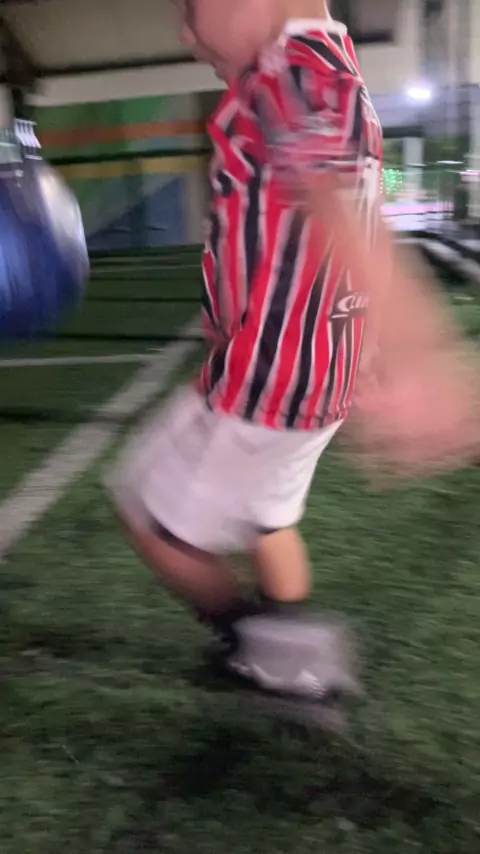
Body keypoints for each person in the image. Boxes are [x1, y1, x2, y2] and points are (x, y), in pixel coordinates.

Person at [109, 0, 480, 719]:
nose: (186, 32)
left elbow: (338, 209)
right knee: (266, 516)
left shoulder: (292, 73)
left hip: (270, 377)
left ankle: (273, 656)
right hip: (314, 368)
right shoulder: (333, 68)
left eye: (192, 6)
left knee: (148, 515)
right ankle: (287, 637)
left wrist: (419, 351)